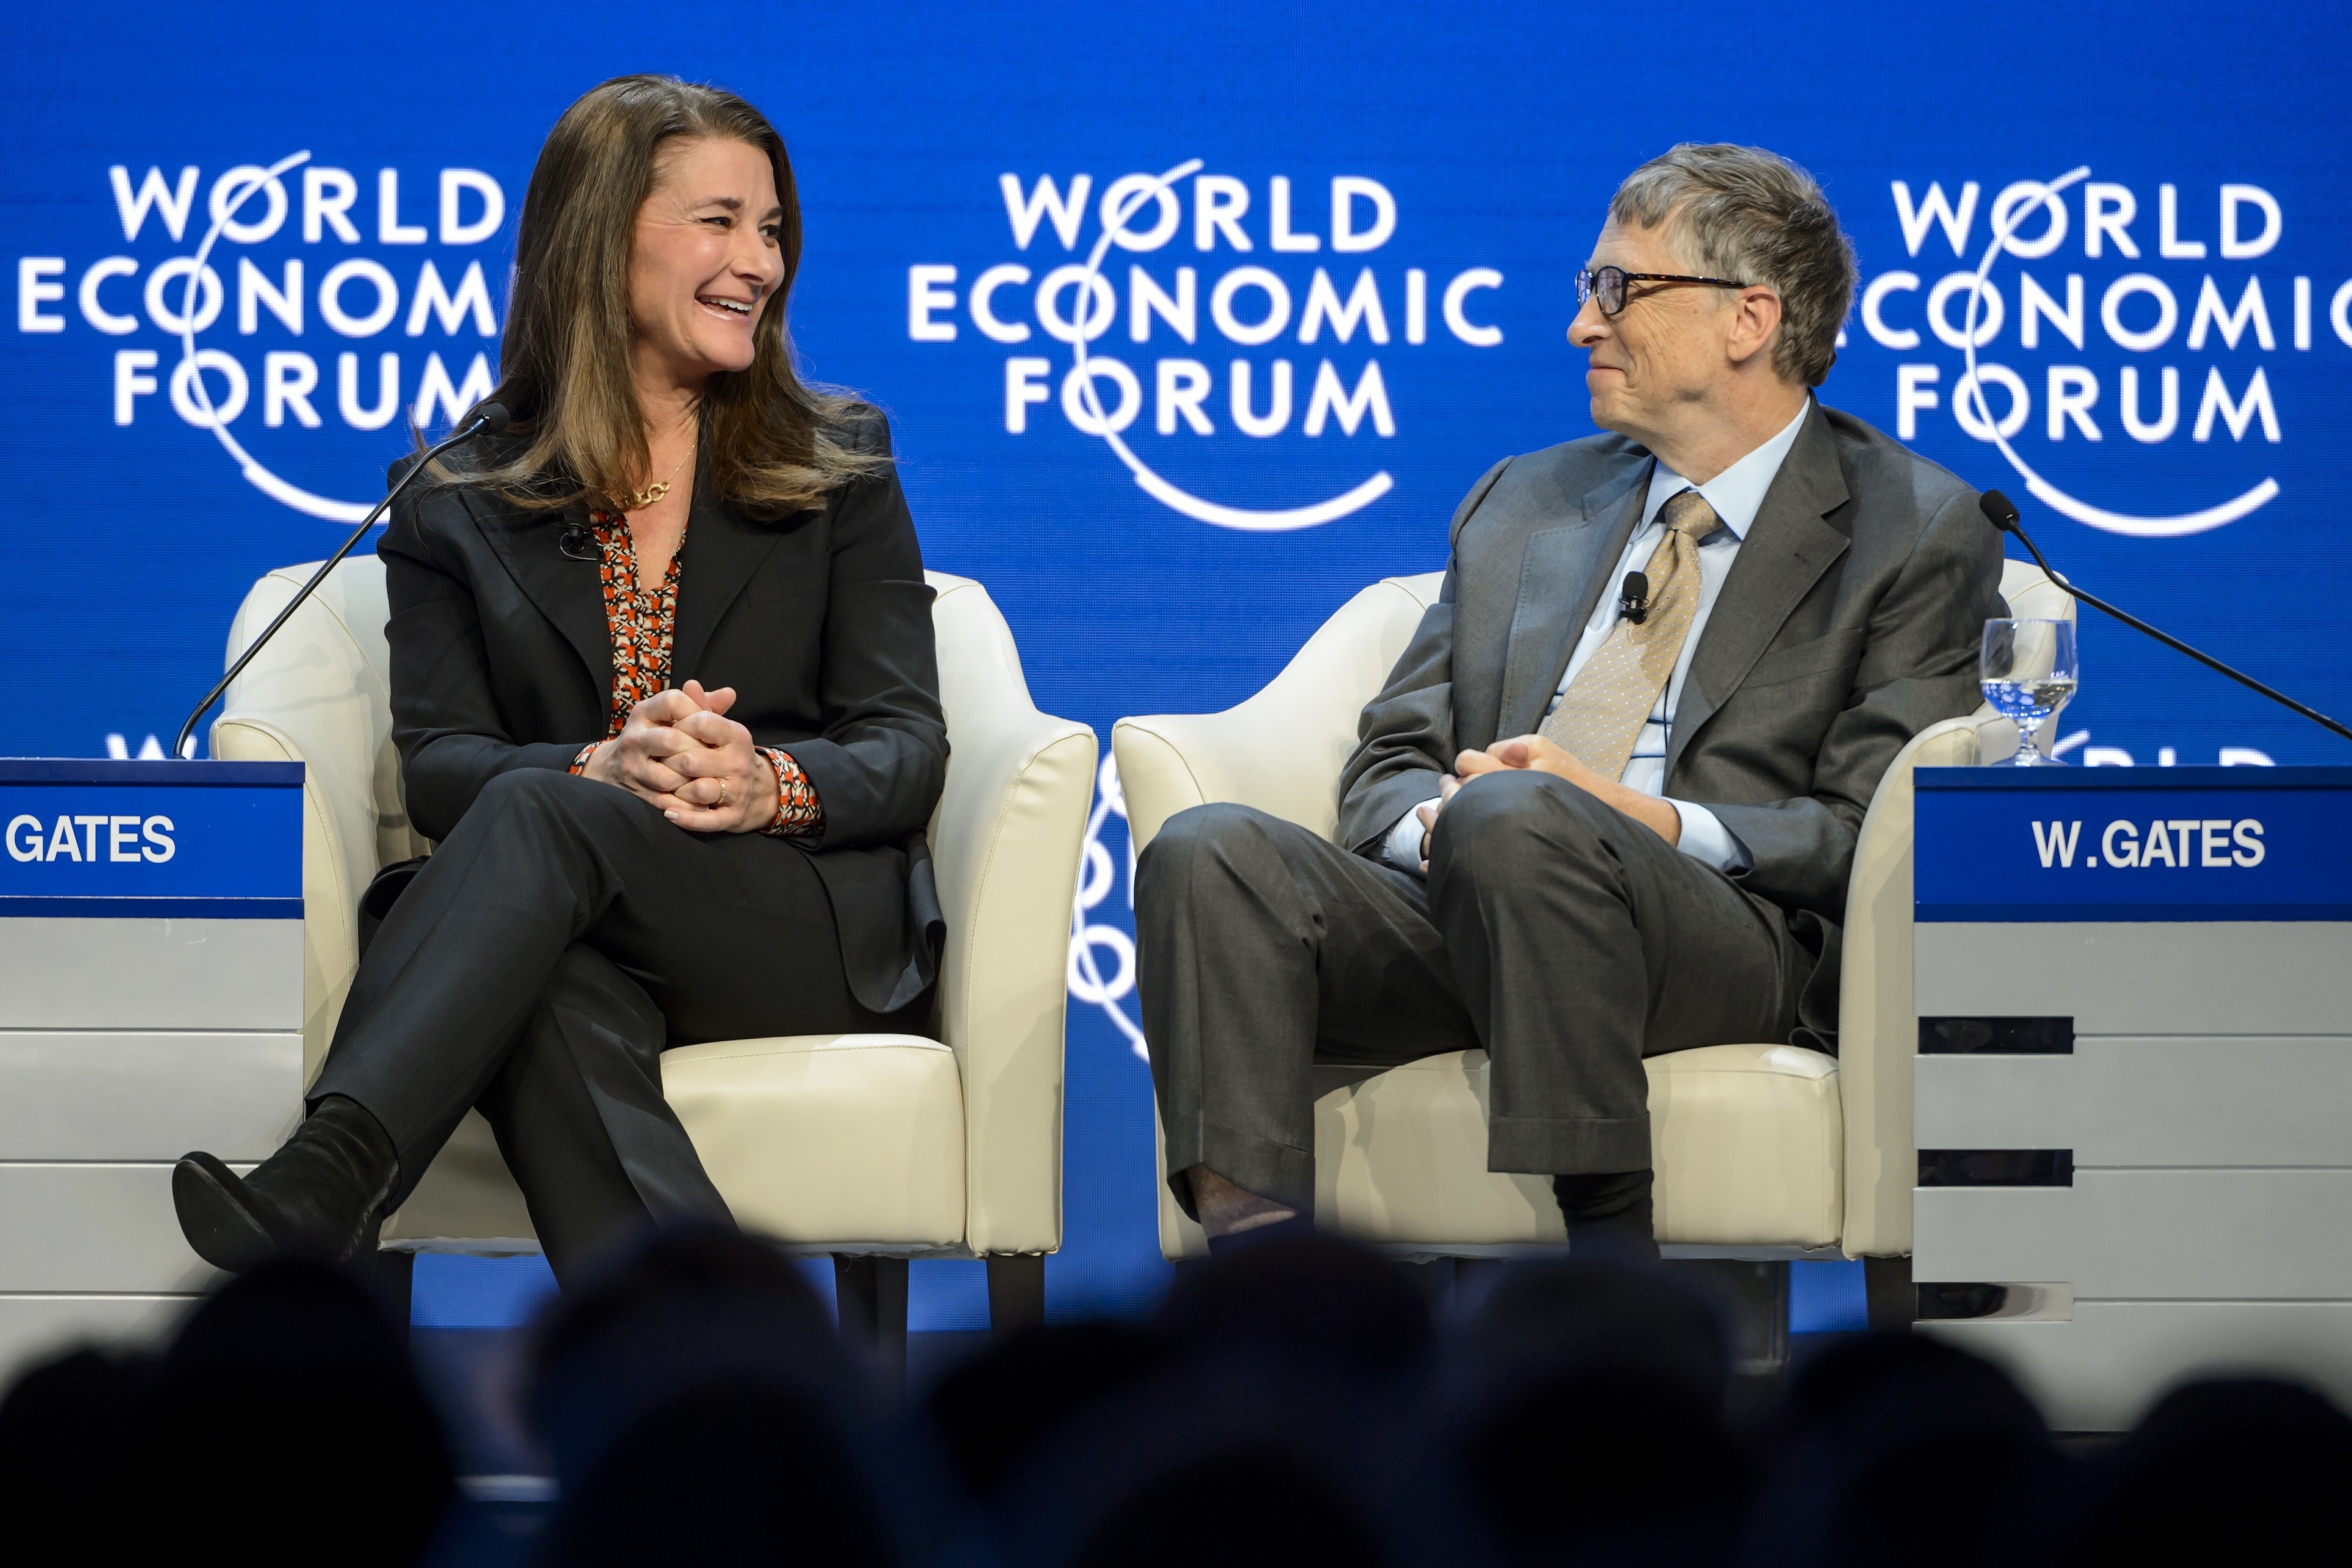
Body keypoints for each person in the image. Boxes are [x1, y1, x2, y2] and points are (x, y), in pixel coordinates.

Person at [1137, 143, 2004, 1253]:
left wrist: (1642, 822)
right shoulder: (1523, 500)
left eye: (1620, 291)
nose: (1582, 325)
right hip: (1479, 893)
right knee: (1210, 853)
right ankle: (1268, 1299)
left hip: (1720, 937)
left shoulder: (1915, 528)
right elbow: (1391, 759)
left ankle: (1608, 1269)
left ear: (1749, 319)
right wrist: (1443, 827)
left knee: (1525, 816)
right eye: (1588, 290)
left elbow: (1868, 828)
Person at [173, 75, 947, 1278]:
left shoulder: (838, 460)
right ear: (598, 237)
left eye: (773, 227)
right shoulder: (453, 494)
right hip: (555, 923)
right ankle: (701, 1372)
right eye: (720, 221)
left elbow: (903, 741)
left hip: (780, 919)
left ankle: (338, 1164)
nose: (761, 261)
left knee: (536, 816)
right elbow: (437, 768)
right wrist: (601, 762)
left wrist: (766, 783)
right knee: (545, 988)